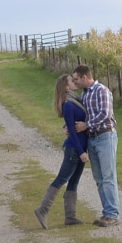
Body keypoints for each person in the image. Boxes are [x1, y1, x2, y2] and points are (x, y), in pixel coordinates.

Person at [34, 73, 88, 227]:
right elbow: (71, 128)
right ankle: (43, 210)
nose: (75, 81)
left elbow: (71, 125)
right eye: (72, 80)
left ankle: (70, 217)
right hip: (74, 148)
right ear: (66, 86)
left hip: (80, 147)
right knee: (62, 179)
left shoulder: (76, 100)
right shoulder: (68, 104)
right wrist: (81, 152)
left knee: (74, 181)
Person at [72, 64, 119, 226]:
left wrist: (87, 125)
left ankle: (112, 214)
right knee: (99, 178)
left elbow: (105, 114)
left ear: (85, 77)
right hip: (92, 139)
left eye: (76, 79)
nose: (75, 82)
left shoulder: (102, 91)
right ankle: (107, 213)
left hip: (105, 136)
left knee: (108, 176)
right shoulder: (84, 95)